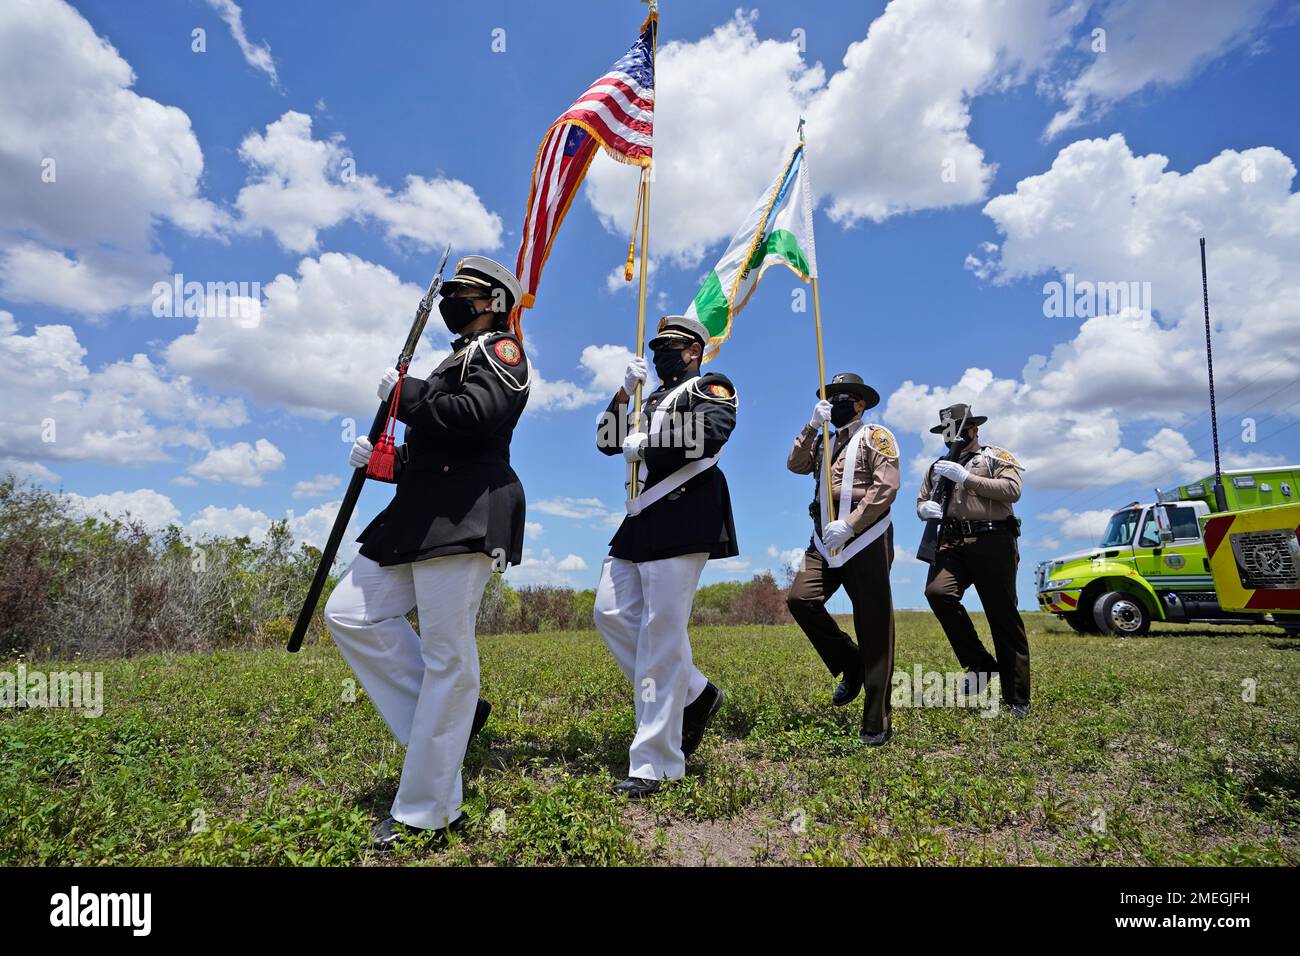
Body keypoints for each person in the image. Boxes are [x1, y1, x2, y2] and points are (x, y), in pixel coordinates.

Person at [323, 255, 531, 849]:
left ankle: (429, 810)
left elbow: (476, 417)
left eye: (464, 292)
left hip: (466, 512)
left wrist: (405, 395)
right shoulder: (455, 357)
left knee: (447, 657)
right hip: (420, 512)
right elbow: (436, 446)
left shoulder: (502, 352)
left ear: (493, 300)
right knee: (352, 614)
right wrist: (385, 461)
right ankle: (456, 719)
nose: (453, 301)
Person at [592, 315, 738, 798]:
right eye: (655, 350)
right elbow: (608, 443)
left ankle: (657, 763)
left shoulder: (710, 386)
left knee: (661, 634)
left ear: (694, 350)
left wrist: (651, 445)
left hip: (684, 513)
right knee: (609, 612)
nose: (660, 357)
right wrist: (622, 393)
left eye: (670, 348)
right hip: (641, 520)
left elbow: (710, 436)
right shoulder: (647, 399)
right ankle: (695, 693)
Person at [786, 373, 900, 745]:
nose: (835, 404)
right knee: (800, 598)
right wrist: (811, 425)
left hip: (865, 536)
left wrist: (851, 524)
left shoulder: (875, 436)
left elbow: (887, 487)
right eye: (830, 398)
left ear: (860, 404)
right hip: (822, 538)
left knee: (874, 624)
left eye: (843, 398)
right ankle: (851, 664)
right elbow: (795, 464)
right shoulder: (824, 441)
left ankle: (876, 723)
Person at [916, 403, 1030, 717]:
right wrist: (924, 508)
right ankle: (979, 663)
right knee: (938, 593)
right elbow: (922, 499)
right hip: (951, 541)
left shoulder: (994, 457)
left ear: (974, 429)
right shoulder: (937, 466)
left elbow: (1012, 489)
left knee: (1002, 615)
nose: (954, 436)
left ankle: (1017, 698)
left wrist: (967, 478)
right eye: (948, 431)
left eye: (960, 429)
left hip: (993, 539)